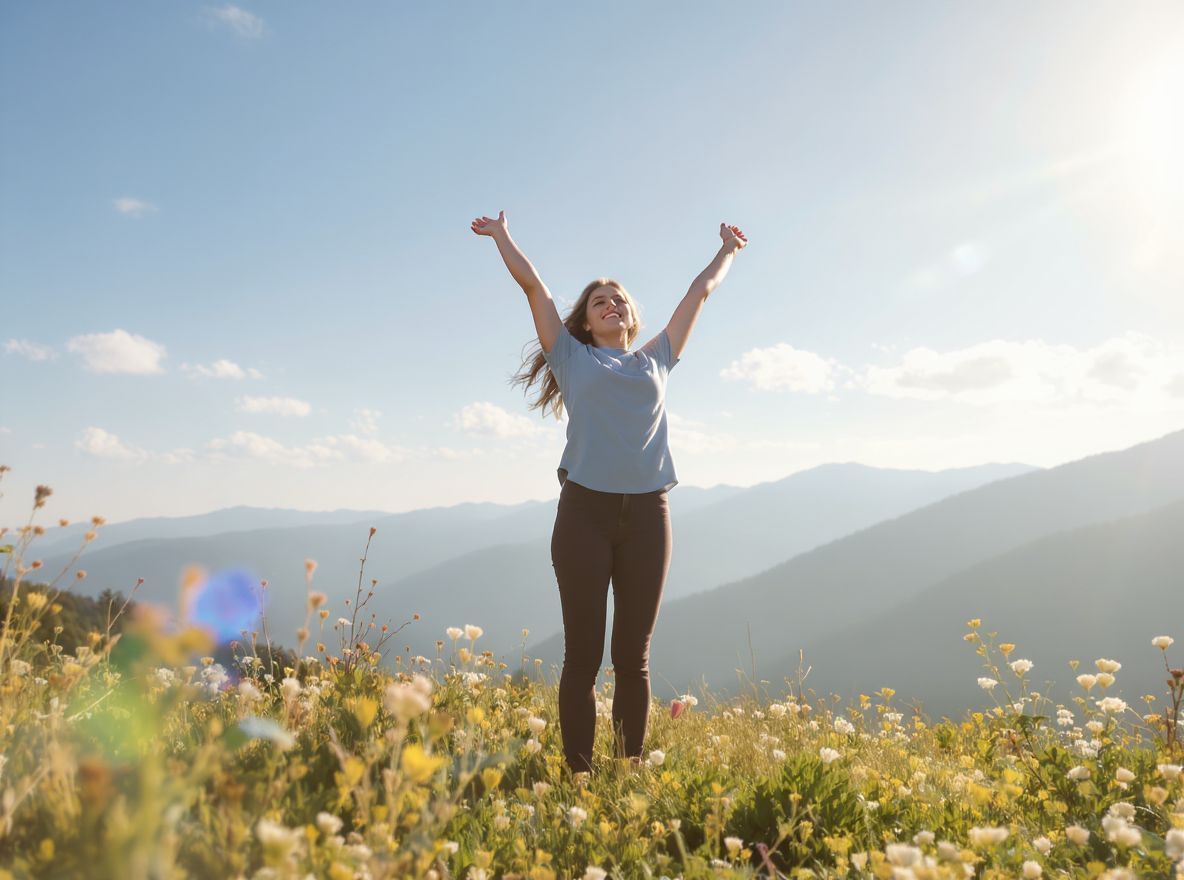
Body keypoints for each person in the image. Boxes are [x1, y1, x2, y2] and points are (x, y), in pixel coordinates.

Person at [471, 210, 747, 775]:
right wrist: (503, 236)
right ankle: (577, 774)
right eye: (600, 301)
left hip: (649, 514)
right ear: (586, 322)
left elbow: (700, 292)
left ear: (630, 317)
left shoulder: (658, 358)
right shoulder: (571, 358)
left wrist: (727, 250)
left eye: (619, 299)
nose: (612, 305)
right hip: (585, 515)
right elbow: (534, 287)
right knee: (583, 655)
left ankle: (627, 771)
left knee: (633, 658)